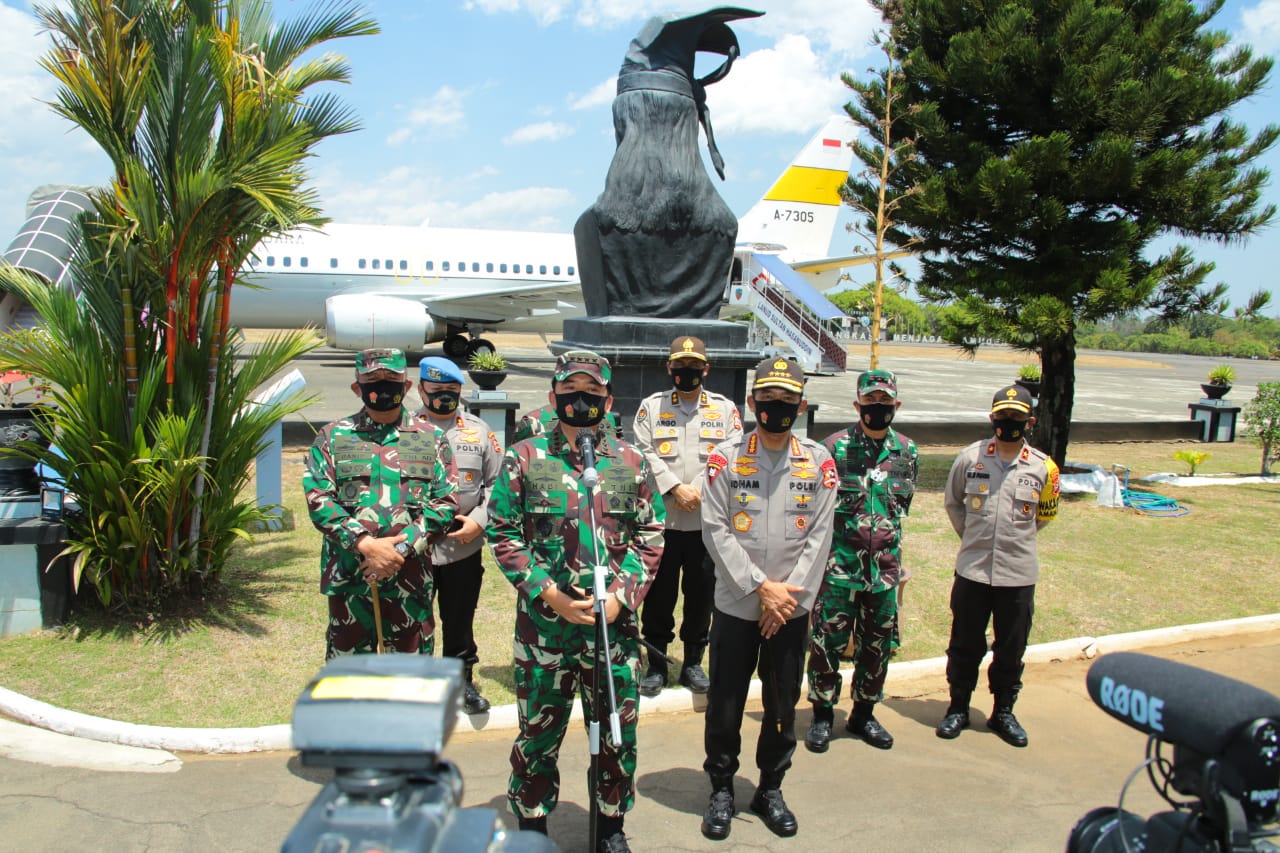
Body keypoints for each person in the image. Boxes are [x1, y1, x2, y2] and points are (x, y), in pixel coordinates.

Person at [486, 350, 665, 853]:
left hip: (612, 631)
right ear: (553, 398)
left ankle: (610, 827)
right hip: (545, 631)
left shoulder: (630, 463)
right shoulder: (524, 457)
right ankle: (534, 825)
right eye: (570, 394)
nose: (580, 402)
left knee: (615, 733)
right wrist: (550, 594)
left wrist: (621, 598)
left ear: (608, 401)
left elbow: (650, 534)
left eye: (591, 394)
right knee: (539, 735)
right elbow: (502, 532)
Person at [699, 356, 837, 841]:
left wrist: (785, 599)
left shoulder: (819, 461)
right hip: (738, 604)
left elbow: (820, 537)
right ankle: (720, 787)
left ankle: (770, 787)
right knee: (726, 702)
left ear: (800, 404)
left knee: (782, 705)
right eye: (768, 397)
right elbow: (714, 528)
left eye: (786, 399)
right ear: (752, 400)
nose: (776, 406)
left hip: (790, 611)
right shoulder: (725, 456)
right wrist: (761, 587)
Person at [303, 348, 459, 659]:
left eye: (391, 379)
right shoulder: (332, 436)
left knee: (410, 678)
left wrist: (397, 552)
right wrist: (366, 545)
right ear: (357, 388)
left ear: (407, 386)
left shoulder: (431, 438)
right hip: (351, 577)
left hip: (409, 579)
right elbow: (318, 497)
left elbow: (445, 502)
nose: (383, 385)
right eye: (373, 379)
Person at [936, 384, 1060, 747]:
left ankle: (1003, 711)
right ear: (992, 419)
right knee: (964, 643)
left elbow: (1045, 515)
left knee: (1011, 647)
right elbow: (953, 504)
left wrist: (1010, 542)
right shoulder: (969, 458)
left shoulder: (1044, 467)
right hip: (973, 571)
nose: (1009, 422)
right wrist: (975, 540)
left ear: (1030, 421)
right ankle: (958, 707)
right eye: (1003, 416)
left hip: (1018, 574)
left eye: (1017, 417)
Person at [805, 369, 918, 753]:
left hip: (884, 571)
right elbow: (816, 509)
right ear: (857, 405)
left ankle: (864, 714)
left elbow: (900, 506)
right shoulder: (832, 449)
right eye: (870, 402)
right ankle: (822, 714)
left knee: (877, 645)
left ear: (896, 405)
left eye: (885, 402)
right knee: (826, 643)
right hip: (839, 567)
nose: (878, 408)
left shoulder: (907, 452)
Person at [632, 335, 743, 696]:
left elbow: (730, 454)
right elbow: (641, 451)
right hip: (662, 522)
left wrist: (696, 486)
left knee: (701, 596)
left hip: (706, 523)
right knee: (658, 597)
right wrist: (673, 487)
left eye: (694, 366)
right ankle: (657, 664)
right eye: (680, 366)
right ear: (669, 367)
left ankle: (694, 662)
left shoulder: (725, 410)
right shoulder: (651, 407)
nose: (687, 372)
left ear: (706, 369)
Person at [415, 356, 503, 714]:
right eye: (436, 391)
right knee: (413, 621)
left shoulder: (480, 431)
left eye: (451, 391)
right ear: (421, 390)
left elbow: (499, 484)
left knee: (459, 617)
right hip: (415, 548)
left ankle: (462, 680)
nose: (444, 398)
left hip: (462, 544)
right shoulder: (403, 430)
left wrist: (479, 521)